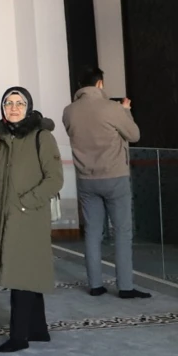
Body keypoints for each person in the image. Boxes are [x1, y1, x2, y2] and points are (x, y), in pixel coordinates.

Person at [0, 86, 63, 352]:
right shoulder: (2, 137)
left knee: (20, 275)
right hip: (7, 216)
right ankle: (38, 330)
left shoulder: (42, 136)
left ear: (28, 107)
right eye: (8, 103)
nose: (14, 108)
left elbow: (54, 179)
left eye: (19, 103)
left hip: (29, 217)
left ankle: (19, 337)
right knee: (30, 273)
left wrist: (26, 203)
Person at [62, 67, 150, 299]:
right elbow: (134, 135)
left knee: (92, 233)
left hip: (86, 179)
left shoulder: (69, 111)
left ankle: (96, 285)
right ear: (100, 84)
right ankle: (125, 286)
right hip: (114, 177)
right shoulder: (112, 108)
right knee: (122, 232)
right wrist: (126, 111)